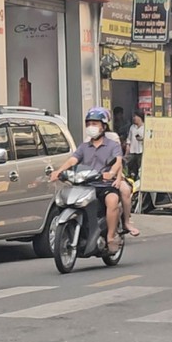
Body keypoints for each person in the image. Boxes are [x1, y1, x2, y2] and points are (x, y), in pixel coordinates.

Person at [50, 107, 124, 253]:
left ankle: (110, 236)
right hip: (85, 184)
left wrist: (111, 173)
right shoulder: (84, 147)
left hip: (104, 184)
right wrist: (59, 171)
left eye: (95, 124)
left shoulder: (113, 145)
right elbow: (72, 160)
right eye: (89, 124)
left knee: (112, 201)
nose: (91, 127)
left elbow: (117, 161)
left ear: (103, 126)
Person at [126, 111, 145, 179]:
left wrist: (142, 139)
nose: (134, 118)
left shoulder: (145, 127)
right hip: (132, 151)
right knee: (131, 167)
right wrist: (127, 150)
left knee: (140, 167)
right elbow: (129, 139)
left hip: (141, 150)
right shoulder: (132, 127)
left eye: (135, 116)